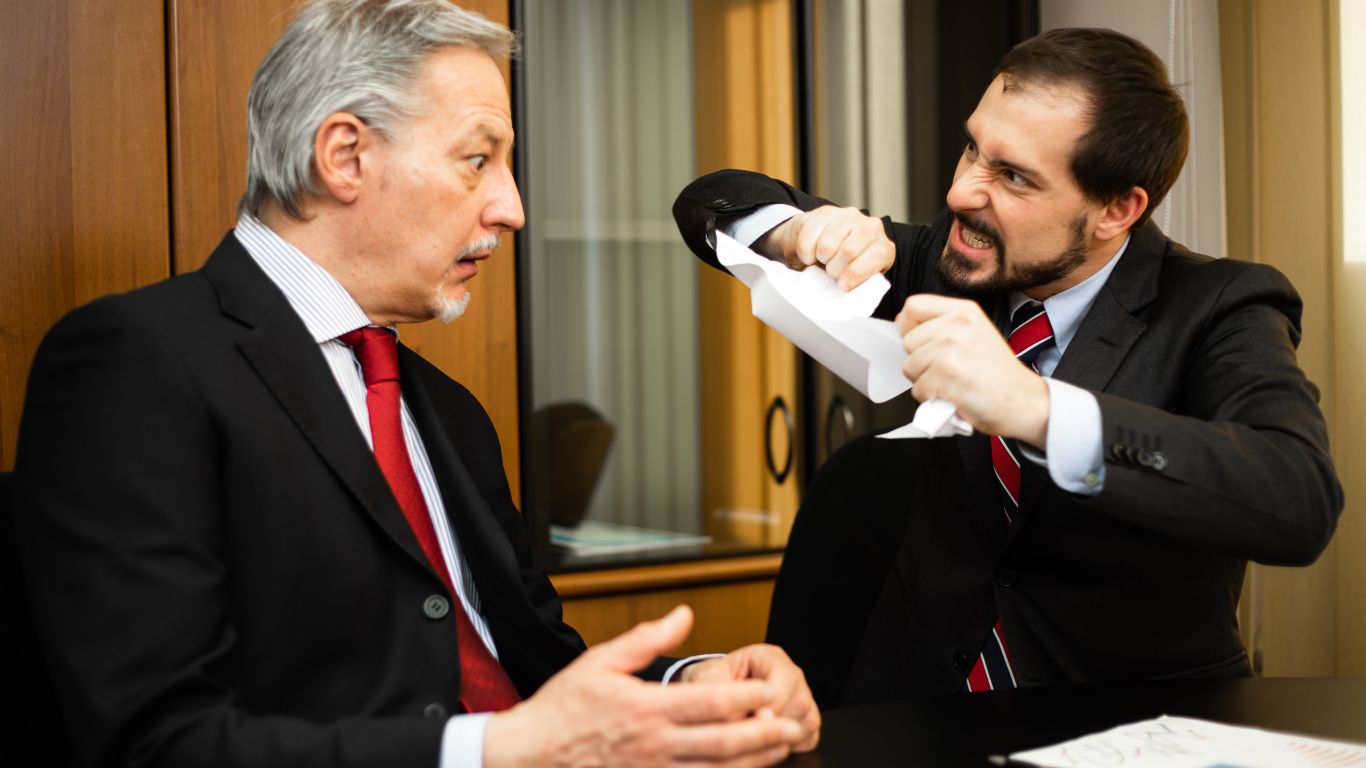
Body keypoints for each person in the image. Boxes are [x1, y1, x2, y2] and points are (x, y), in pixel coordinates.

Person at [10, 1, 818, 766]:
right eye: (478, 160)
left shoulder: (449, 413)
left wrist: (689, 691)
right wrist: (495, 753)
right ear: (346, 156)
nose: (512, 208)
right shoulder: (136, 362)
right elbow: (153, 743)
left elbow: (537, 671)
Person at [673, 27, 1342, 708]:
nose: (963, 191)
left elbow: (1296, 500)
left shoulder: (1219, 305)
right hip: (914, 716)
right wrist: (792, 232)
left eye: (1014, 176)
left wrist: (1038, 408)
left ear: (1117, 209)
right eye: (973, 148)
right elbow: (709, 201)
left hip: (1128, 723)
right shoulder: (945, 260)